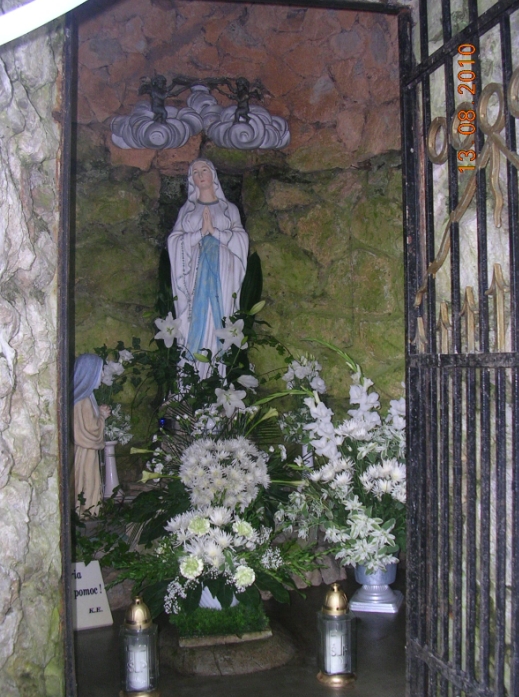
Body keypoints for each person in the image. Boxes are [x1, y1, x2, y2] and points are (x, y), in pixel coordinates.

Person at [167, 159, 249, 378]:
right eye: (195, 172)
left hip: (223, 274)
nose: (200, 175)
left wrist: (215, 232)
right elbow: (174, 241)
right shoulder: (188, 210)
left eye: (204, 170)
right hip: (194, 277)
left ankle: (217, 379)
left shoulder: (228, 209)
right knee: (196, 320)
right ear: (191, 179)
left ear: (213, 174)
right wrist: (199, 234)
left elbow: (241, 239)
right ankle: (190, 380)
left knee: (218, 320)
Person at [72, 354, 111, 517]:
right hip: (85, 451)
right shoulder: (84, 401)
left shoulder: (86, 397)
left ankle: (89, 510)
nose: (102, 375)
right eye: (100, 371)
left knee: (89, 481)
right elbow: (91, 429)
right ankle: (88, 511)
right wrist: (102, 416)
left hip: (85, 451)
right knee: (88, 481)